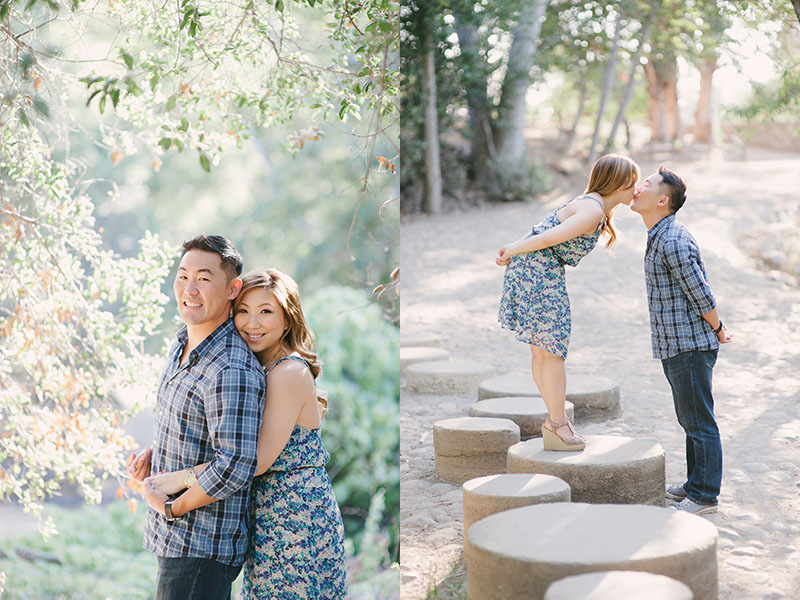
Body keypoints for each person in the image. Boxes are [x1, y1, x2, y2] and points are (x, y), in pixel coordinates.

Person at [146, 268, 347, 599]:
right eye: (243, 311)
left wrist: (179, 481)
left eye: (266, 312)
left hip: (294, 515)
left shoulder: (288, 372)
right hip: (265, 514)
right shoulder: (256, 368)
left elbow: (255, 461)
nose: (252, 323)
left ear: (288, 319)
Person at [126, 234, 266, 599]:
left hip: (202, 545)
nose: (190, 288)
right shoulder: (182, 344)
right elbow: (198, 428)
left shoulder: (230, 367)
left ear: (233, 288)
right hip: (175, 541)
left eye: (204, 278)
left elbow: (236, 462)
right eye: (183, 275)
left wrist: (171, 506)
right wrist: (157, 456)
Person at [496, 154, 640, 451]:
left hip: (536, 268)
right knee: (553, 352)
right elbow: (548, 238)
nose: (636, 189)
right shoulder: (592, 211)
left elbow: (544, 234)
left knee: (544, 352)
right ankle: (557, 424)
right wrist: (511, 248)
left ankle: (555, 421)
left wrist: (515, 251)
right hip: (539, 269)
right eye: (633, 183)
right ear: (620, 183)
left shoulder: (592, 205)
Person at [630, 165, 732, 515]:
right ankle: (695, 483)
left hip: (690, 344)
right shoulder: (659, 233)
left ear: (662, 199)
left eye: (646, 184)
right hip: (676, 344)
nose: (637, 188)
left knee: (699, 421)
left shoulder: (671, 240)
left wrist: (718, 330)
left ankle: (705, 496)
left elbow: (701, 295)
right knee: (690, 419)